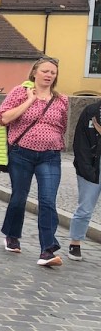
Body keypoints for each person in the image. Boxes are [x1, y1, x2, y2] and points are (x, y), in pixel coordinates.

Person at [0, 56, 69, 266]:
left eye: (53, 73)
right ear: (35, 73)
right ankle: (12, 235)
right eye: (45, 71)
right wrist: (29, 101)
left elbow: (62, 126)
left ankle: (47, 250)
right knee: (19, 197)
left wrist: (53, 141)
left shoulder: (61, 99)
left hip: (50, 155)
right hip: (21, 154)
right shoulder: (20, 92)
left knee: (48, 201)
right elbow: (3, 118)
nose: (49, 75)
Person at [67, 99, 101, 262]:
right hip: (91, 166)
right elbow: (80, 142)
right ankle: (75, 243)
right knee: (85, 208)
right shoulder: (91, 111)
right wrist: (85, 167)